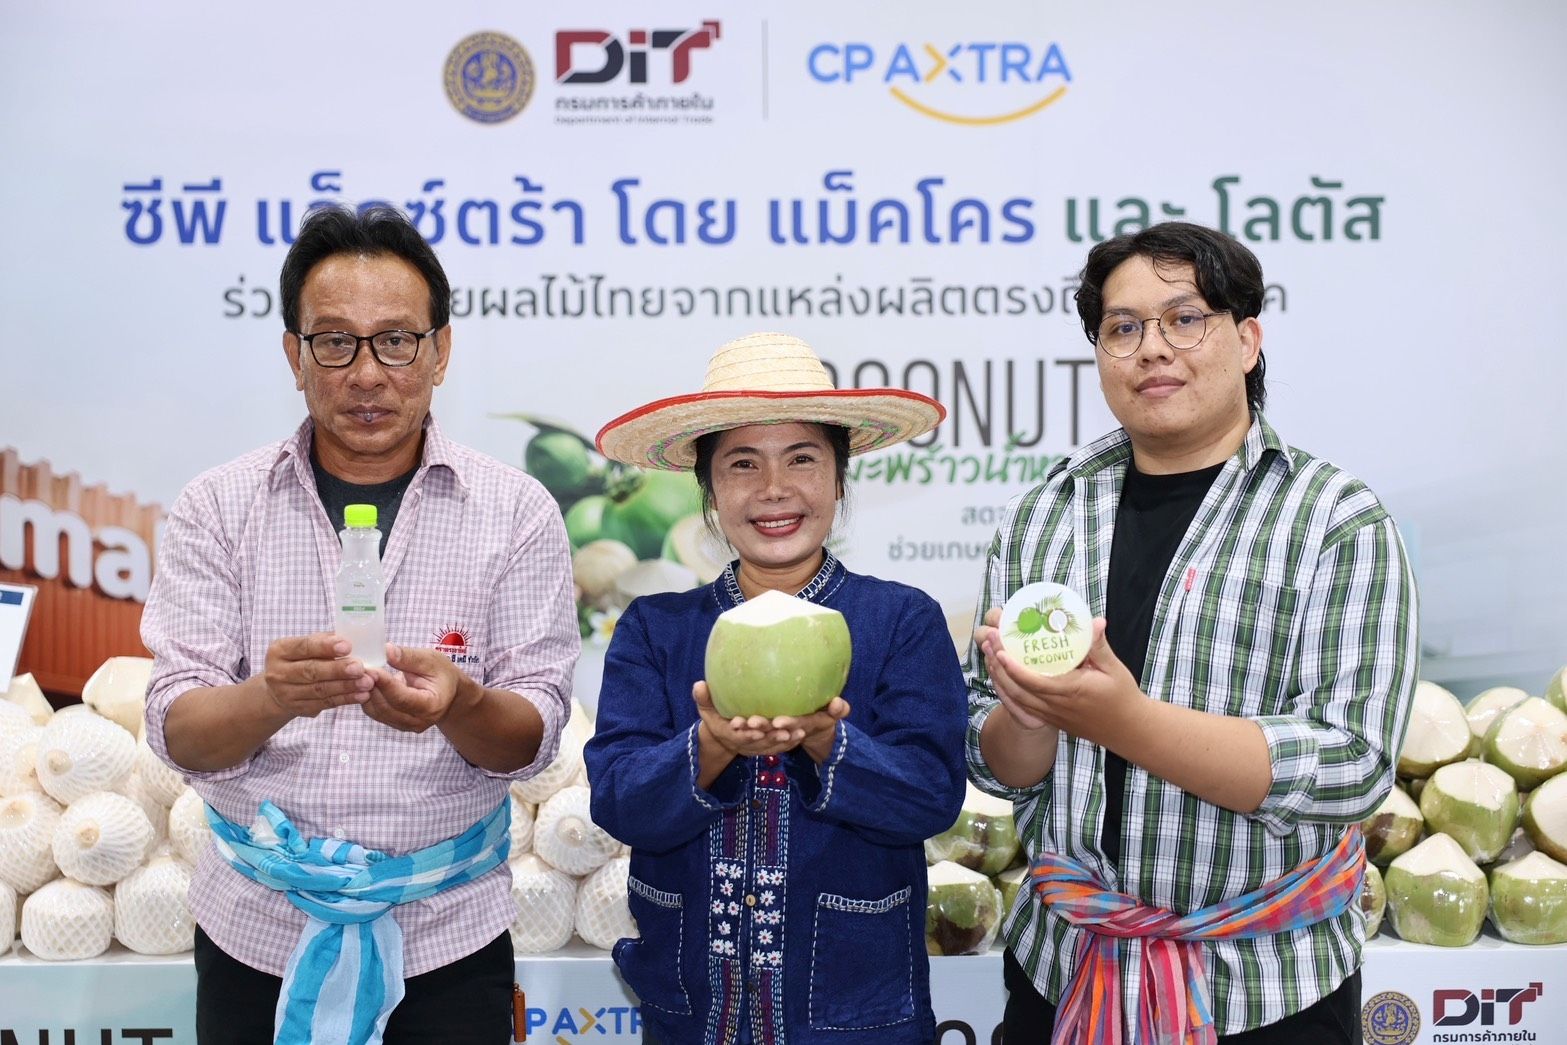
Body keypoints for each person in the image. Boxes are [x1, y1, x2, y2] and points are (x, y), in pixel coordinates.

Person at [966, 222, 1418, 1044]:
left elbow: (1352, 763)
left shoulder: (1333, 518)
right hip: (1062, 965)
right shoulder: (1043, 514)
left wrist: (1125, 721)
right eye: (1122, 328)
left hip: (1266, 988)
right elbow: (990, 755)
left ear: (1246, 341)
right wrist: (1025, 718)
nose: (1151, 348)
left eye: (1184, 318)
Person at [141, 205, 579, 1045]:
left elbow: (530, 738)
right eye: (336, 342)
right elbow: (177, 731)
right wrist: (269, 697)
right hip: (255, 928)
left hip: (447, 932)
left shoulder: (515, 512)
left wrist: (459, 703)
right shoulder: (218, 506)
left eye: (397, 341)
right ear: (294, 356)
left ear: (440, 351)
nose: (367, 373)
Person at [585, 332, 969, 1045]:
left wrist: (829, 741)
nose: (773, 489)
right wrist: (709, 746)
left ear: (839, 477)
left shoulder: (900, 620)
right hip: (690, 1014)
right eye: (741, 463)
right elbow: (617, 800)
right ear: (708, 488)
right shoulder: (656, 629)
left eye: (802, 458)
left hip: (857, 1016)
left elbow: (931, 794)